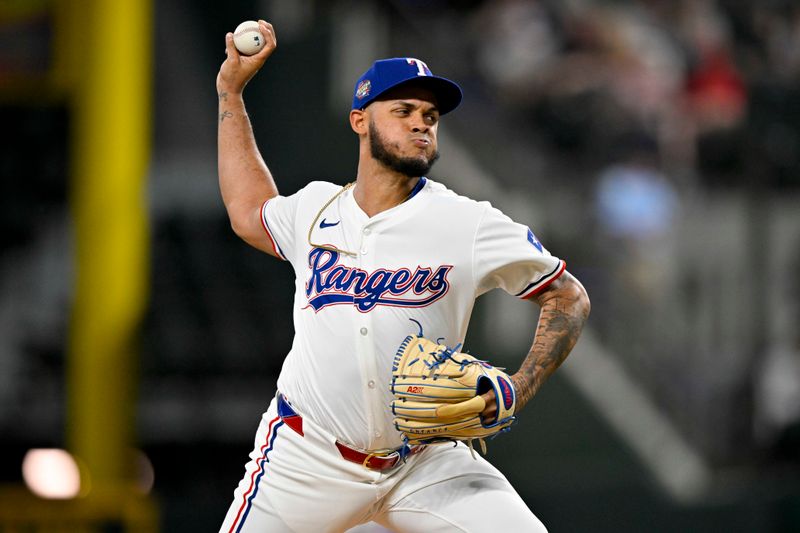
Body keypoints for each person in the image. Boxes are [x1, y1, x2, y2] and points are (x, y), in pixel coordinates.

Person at [216, 20, 590, 533]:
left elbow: (569, 297)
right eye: (404, 111)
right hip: (306, 458)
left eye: (430, 116)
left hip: (424, 462)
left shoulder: (469, 222)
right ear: (360, 121)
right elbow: (248, 210)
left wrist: (517, 389)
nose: (422, 124)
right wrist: (230, 92)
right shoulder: (315, 209)